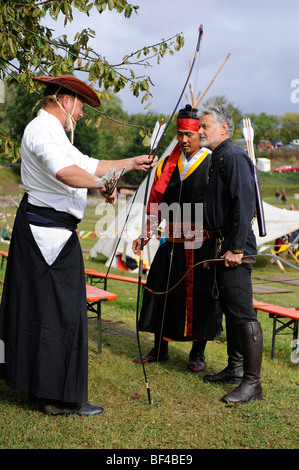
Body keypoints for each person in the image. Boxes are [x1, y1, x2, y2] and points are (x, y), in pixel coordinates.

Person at [0, 75, 157, 416]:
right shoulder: (41, 130)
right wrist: (105, 182)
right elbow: (66, 173)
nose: (83, 114)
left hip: (50, 234)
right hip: (46, 235)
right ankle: (58, 397)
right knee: (62, 315)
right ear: (65, 100)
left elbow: (88, 165)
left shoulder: (54, 133)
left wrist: (129, 164)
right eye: (82, 106)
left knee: (46, 313)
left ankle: (42, 388)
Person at [132, 105, 221, 372]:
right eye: (180, 134)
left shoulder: (213, 164)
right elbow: (155, 203)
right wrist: (145, 234)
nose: (183, 140)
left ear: (200, 135)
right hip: (170, 244)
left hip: (202, 246)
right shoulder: (167, 166)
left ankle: (197, 353)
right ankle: (160, 348)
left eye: (188, 135)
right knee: (162, 294)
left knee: (201, 298)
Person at [197, 105, 263, 405]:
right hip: (219, 246)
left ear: (224, 129)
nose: (200, 131)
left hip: (235, 248)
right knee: (229, 309)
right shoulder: (217, 157)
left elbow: (244, 204)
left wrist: (236, 248)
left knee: (242, 314)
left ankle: (252, 383)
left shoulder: (234, 156)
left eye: (205, 126)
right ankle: (236, 369)